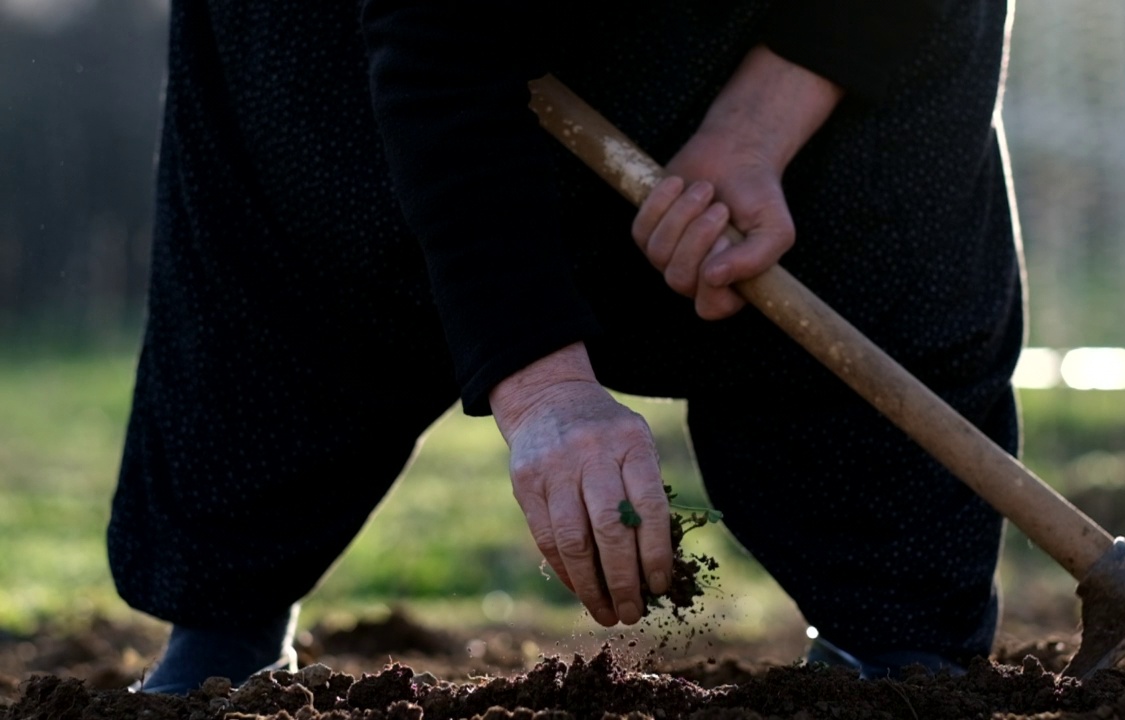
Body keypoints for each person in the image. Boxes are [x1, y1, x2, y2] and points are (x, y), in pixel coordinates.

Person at [109, 0, 1024, 693]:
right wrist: (543, 386)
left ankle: (892, 636)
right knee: (315, 188)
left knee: (882, 184)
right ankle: (226, 634)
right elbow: (439, 51)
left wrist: (755, 128)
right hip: (392, 39)